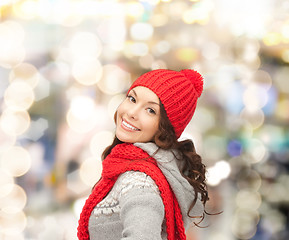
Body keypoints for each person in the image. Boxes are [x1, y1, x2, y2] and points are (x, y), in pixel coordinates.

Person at [77, 69, 209, 240]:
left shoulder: (140, 183)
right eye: (132, 99)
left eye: (150, 110)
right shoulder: (133, 166)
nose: (132, 113)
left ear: (166, 128)